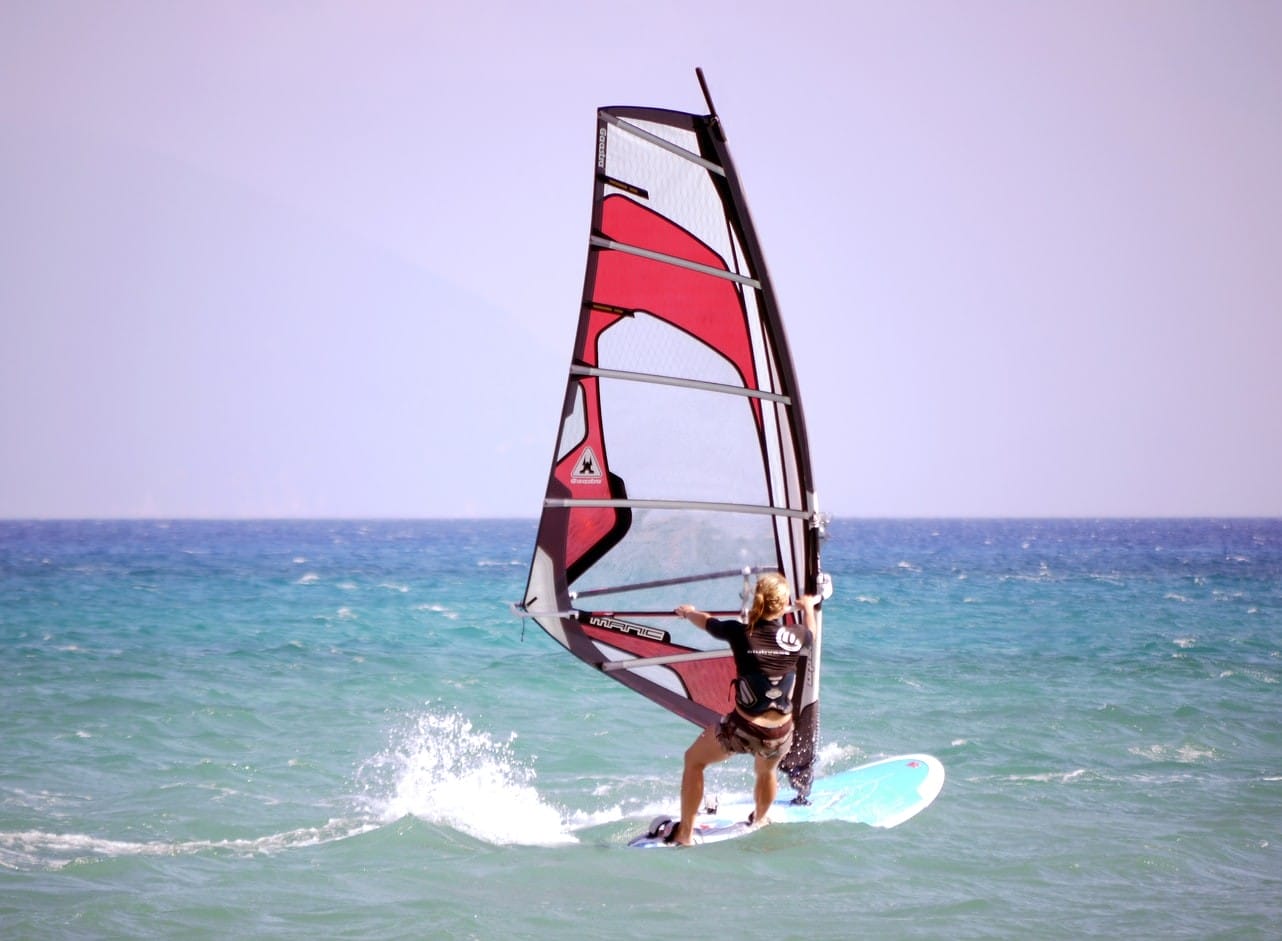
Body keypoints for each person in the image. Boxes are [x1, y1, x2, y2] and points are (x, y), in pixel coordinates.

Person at [665, 572, 820, 845]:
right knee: (766, 771)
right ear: (783, 605)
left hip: (743, 729)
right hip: (779, 733)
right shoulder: (796, 636)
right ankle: (760, 818)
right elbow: (812, 632)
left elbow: (707, 623)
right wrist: (807, 606)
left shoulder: (740, 632)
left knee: (694, 761)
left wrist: (688, 612)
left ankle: (685, 835)